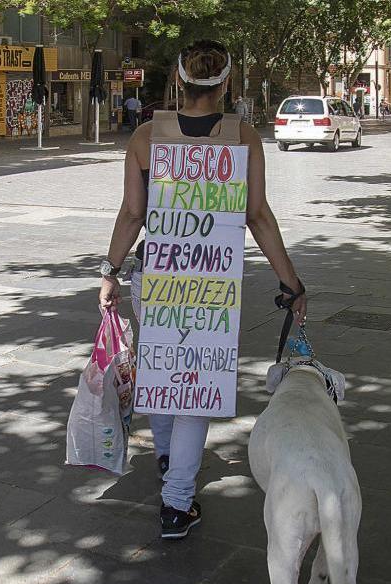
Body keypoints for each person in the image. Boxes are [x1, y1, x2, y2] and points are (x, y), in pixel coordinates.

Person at [99, 40, 306, 540]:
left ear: (180, 81)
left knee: (163, 370)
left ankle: (169, 461)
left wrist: (109, 271)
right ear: (226, 84)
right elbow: (258, 215)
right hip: (212, 280)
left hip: (155, 276)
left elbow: (132, 214)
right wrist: (291, 282)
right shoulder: (243, 137)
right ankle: (175, 503)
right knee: (193, 386)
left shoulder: (147, 137)